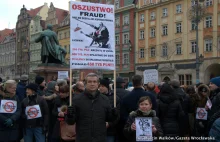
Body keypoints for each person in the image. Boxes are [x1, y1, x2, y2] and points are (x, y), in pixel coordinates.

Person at [66, 73, 118, 142]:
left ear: (98, 83)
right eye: (89, 82)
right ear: (85, 83)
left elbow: (109, 118)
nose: (92, 84)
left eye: (94, 82)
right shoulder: (77, 99)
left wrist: (114, 114)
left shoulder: (105, 99)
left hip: (100, 138)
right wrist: (69, 116)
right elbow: (70, 122)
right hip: (83, 138)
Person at [120, 75, 157, 142]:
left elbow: (123, 116)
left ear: (133, 83)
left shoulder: (126, 97)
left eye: (146, 104)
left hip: (134, 131)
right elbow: (156, 112)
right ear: (142, 83)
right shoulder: (151, 96)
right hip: (146, 130)